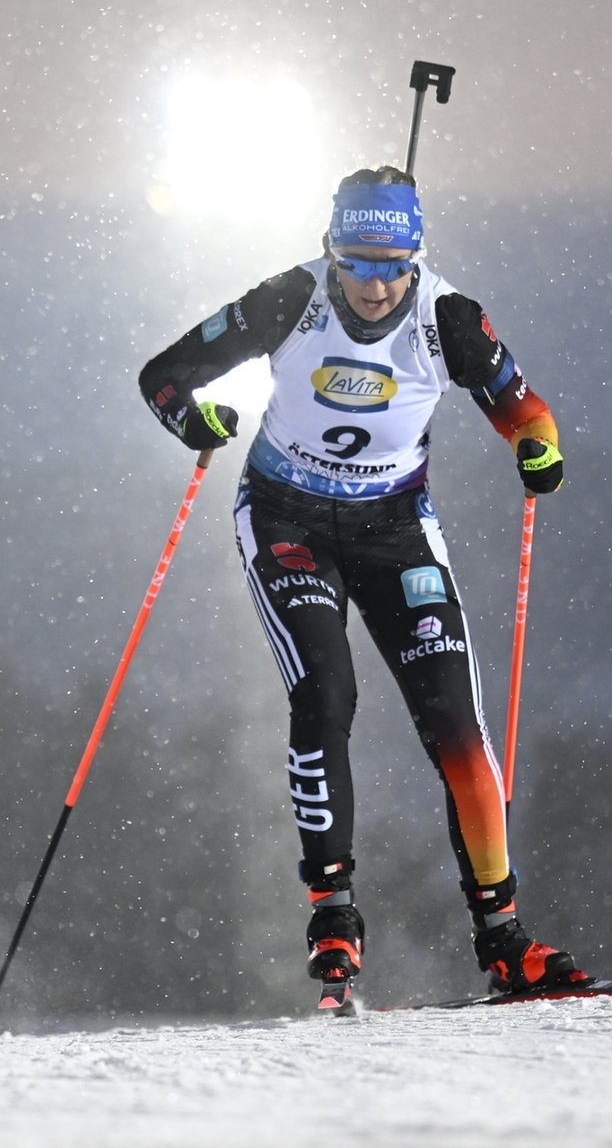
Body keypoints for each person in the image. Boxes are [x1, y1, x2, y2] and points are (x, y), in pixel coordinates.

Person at [137, 166, 586, 1000]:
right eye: (358, 262)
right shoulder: (287, 300)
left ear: (417, 257)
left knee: (457, 722)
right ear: (330, 252)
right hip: (286, 520)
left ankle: (505, 939)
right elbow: (163, 375)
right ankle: (333, 915)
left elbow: (528, 412)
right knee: (326, 694)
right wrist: (192, 420)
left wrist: (539, 450)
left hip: (393, 528)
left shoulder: (448, 319)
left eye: (394, 264)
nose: (376, 284)